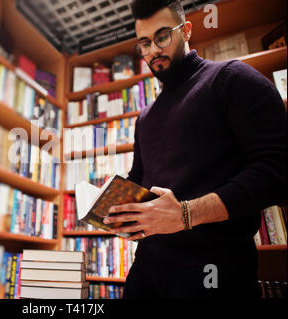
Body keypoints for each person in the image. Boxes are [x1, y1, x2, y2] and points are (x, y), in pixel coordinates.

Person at [103, 0, 287, 298]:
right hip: (146, 271)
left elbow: (277, 171)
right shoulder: (145, 117)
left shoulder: (232, 79)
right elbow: (140, 180)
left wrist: (186, 214)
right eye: (144, 43)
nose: (153, 50)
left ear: (186, 30)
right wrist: (113, 206)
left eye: (162, 36)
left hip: (215, 272)